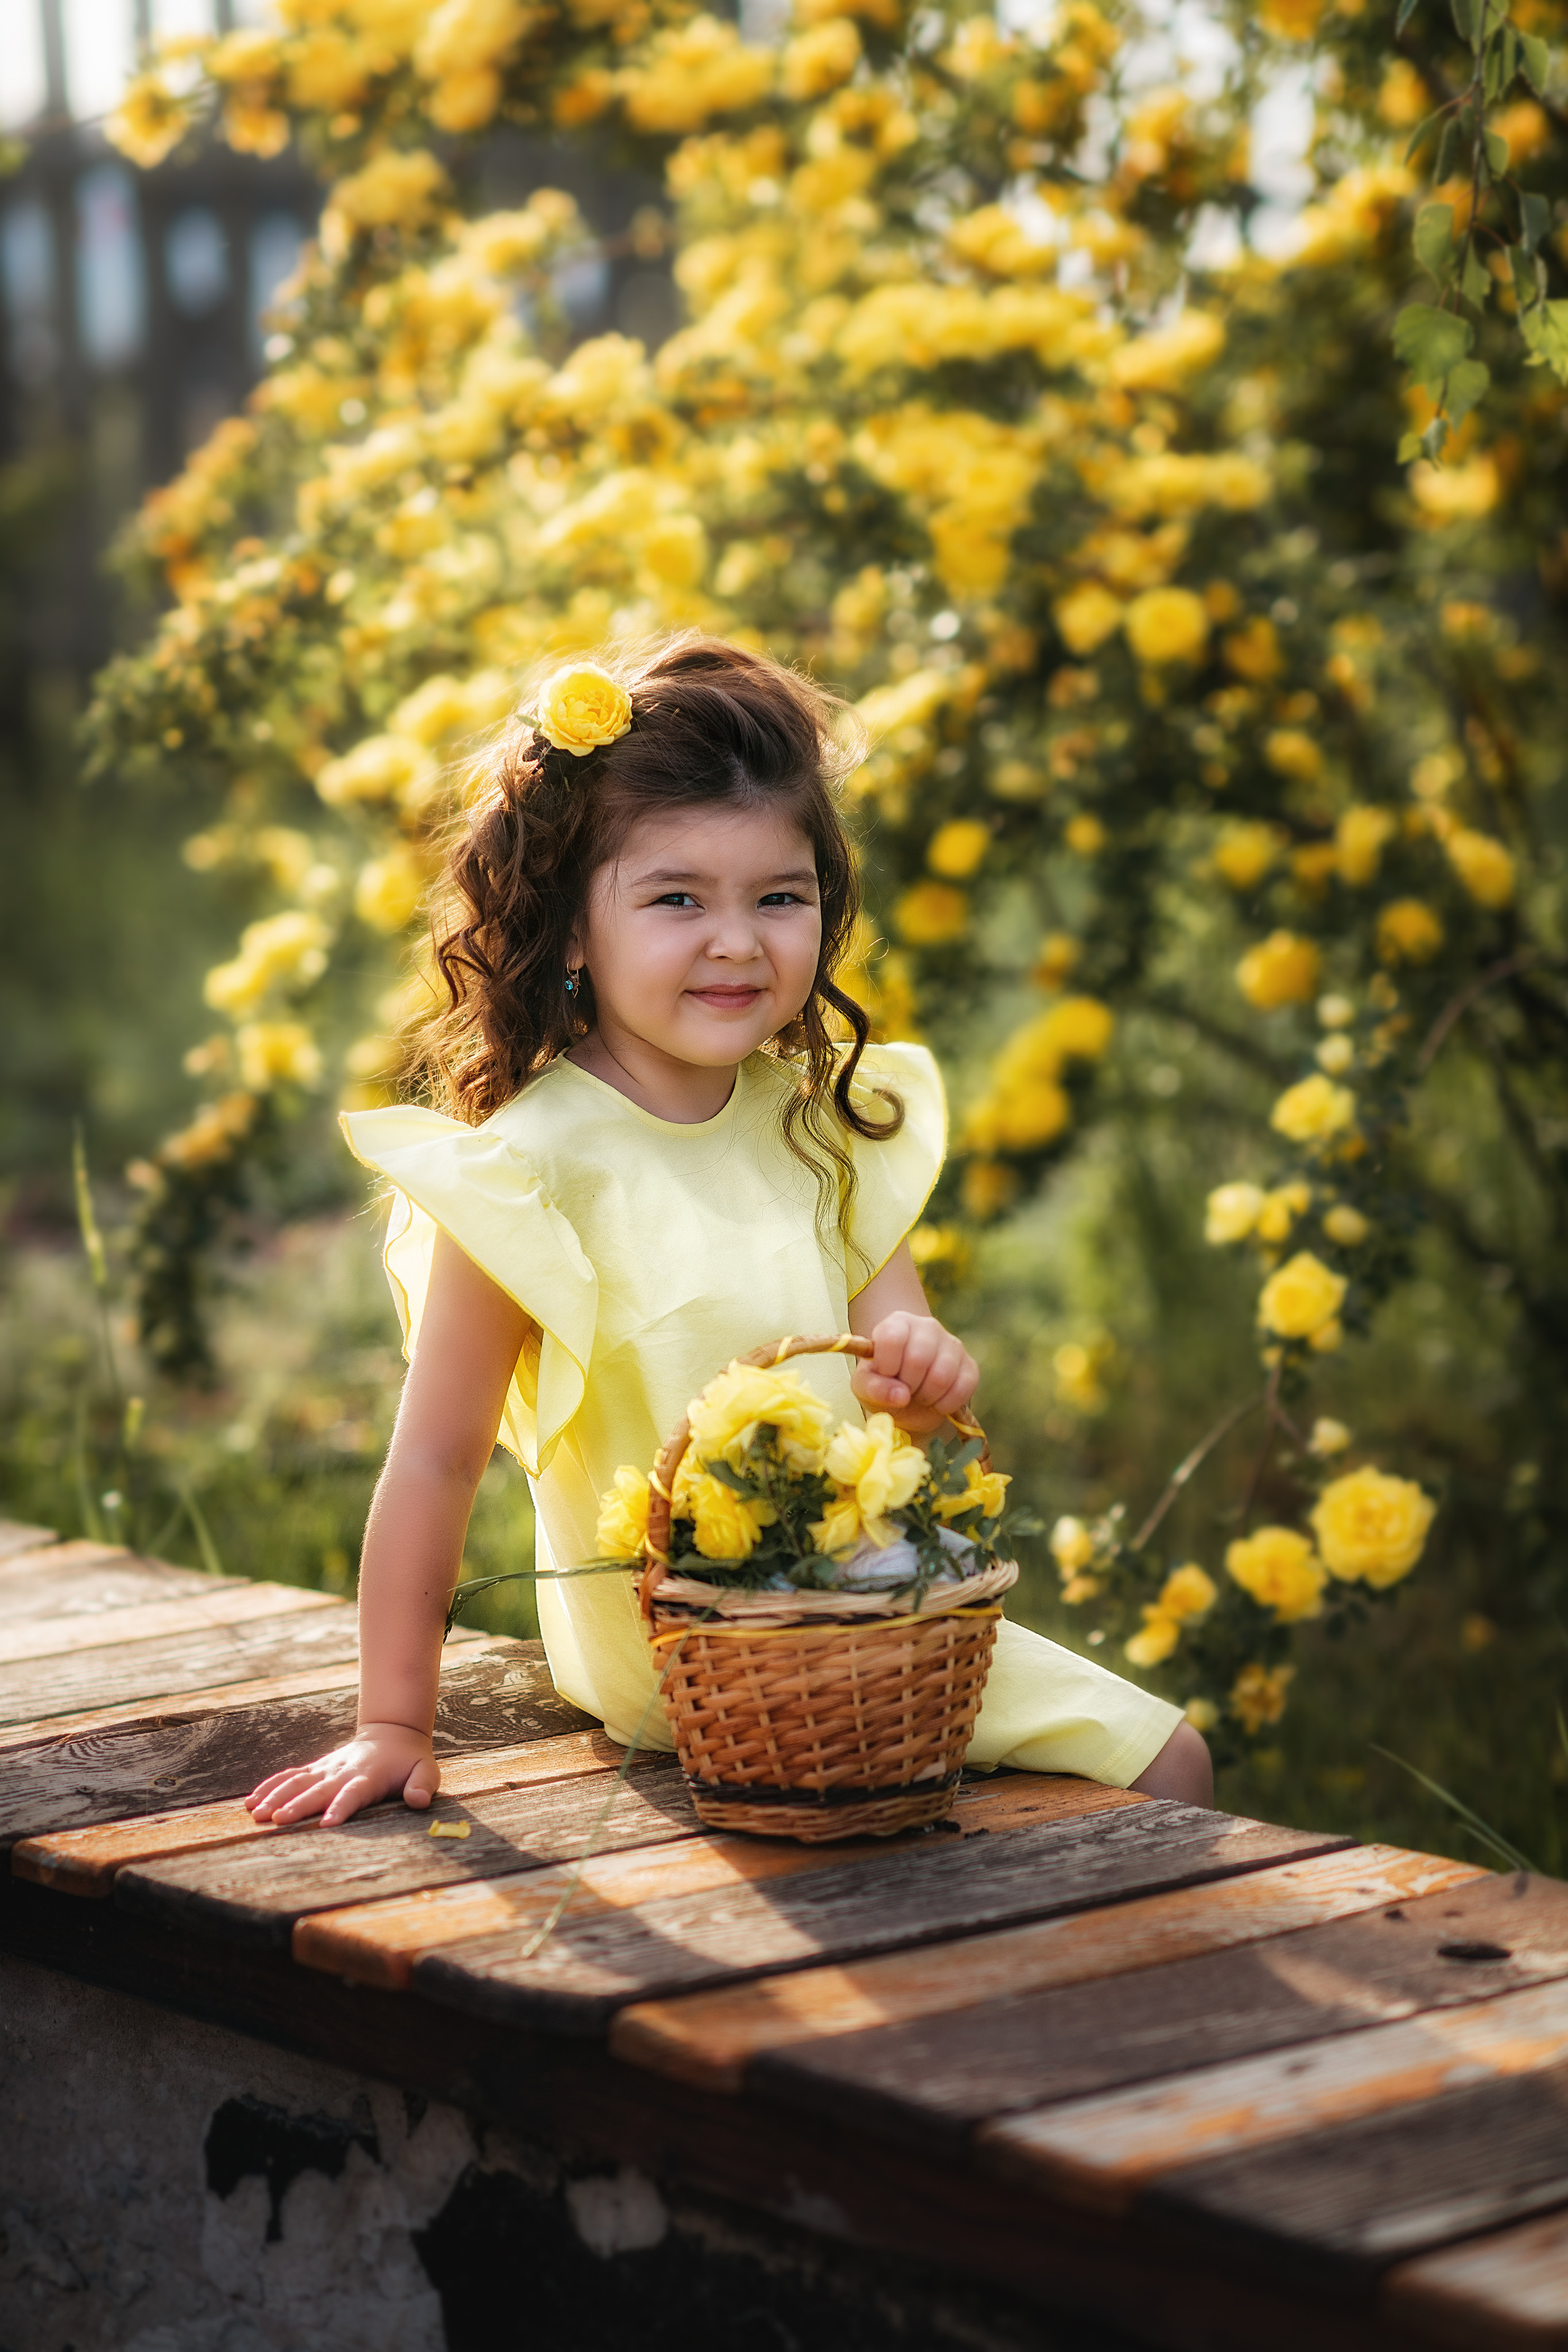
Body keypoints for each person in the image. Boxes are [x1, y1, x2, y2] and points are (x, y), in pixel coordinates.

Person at [246, 635, 1211, 1830]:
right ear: (572, 929)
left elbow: (899, 1370)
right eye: (676, 898)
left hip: (849, 1602)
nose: (736, 941)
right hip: (681, 1653)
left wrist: (924, 1378)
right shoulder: (528, 1175)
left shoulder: (819, 1132)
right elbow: (434, 1462)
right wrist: (393, 1724)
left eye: (778, 897)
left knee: (1172, 1766)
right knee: (1153, 1773)